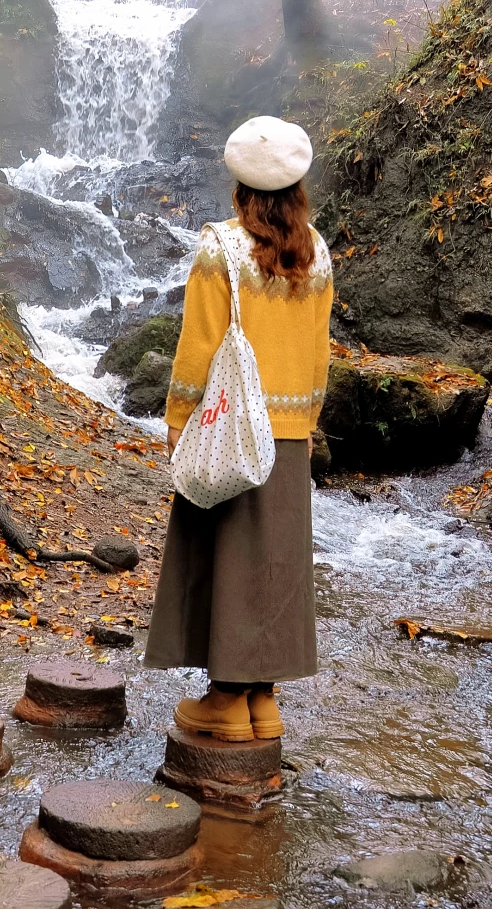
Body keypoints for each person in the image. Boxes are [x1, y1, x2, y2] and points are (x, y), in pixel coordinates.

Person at [144, 115, 332, 742]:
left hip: (229, 425)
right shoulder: (317, 252)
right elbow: (319, 352)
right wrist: (306, 423)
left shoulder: (220, 250)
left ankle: (226, 701)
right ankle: (264, 703)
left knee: (226, 554)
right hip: (289, 430)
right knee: (273, 559)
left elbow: (197, 348)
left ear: (240, 185)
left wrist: (178, 424)